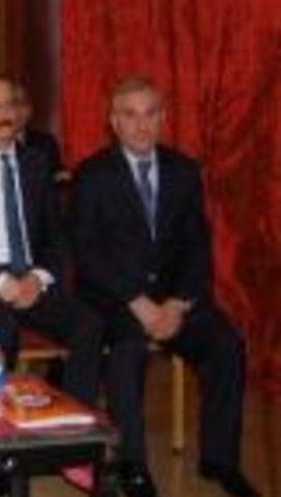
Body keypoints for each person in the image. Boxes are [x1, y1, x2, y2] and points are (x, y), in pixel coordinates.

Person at [72, 77, 257, 497]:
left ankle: (220, 460)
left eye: (150, 114)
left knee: (226, 344)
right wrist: (137, 302)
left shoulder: (184, 170)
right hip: (116, 300)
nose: (142, 125)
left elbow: (196, 246)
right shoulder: (92, 175)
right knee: (127, 350)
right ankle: (133, 466)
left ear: (163, 118)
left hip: (174, 299)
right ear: (114, 121)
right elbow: (88, 254)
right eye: (131, 115)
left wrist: (176, 304)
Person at [0, 76, 103, 406]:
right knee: (2, 330)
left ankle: (72, 422)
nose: (5, 114)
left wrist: (37, 278)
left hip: (31, 279)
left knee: (89, 326)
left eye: (10, 105)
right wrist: (1, 280)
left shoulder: (37, 163)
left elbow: (56, 235)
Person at [12, 82, 66, 181]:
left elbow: (58, 174)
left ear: (30, 109)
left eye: (22, 104)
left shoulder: (45, 142)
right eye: (12, 104)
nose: (16, 112)